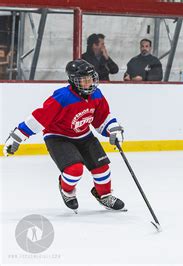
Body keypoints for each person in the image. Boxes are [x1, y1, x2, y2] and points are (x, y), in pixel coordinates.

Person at [3, 59, 126, 212]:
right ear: (74, 81)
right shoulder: (62, 97)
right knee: (74, 171)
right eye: (84, 79)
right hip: (58, 137)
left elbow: (102, 118)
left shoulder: (96, 94)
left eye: (91, 77)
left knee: (103, 169)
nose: (90, 82)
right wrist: (17, 137)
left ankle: (104, 195)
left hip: (84, 135)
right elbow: (39, 118)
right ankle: (66, 190)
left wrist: (113, 130)